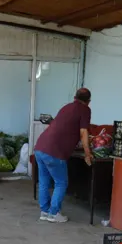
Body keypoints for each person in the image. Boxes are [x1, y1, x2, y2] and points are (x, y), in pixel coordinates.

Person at [33, 88, 93, 223]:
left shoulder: (66, 107)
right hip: (55, 152)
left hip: (40, 147)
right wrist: (87, 154)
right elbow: (83, 132)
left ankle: (44, 212)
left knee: (44, 181)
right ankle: (54, 213)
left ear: (74, 97)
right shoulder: (85, 110)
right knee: (61, 182)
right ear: (88, 101)